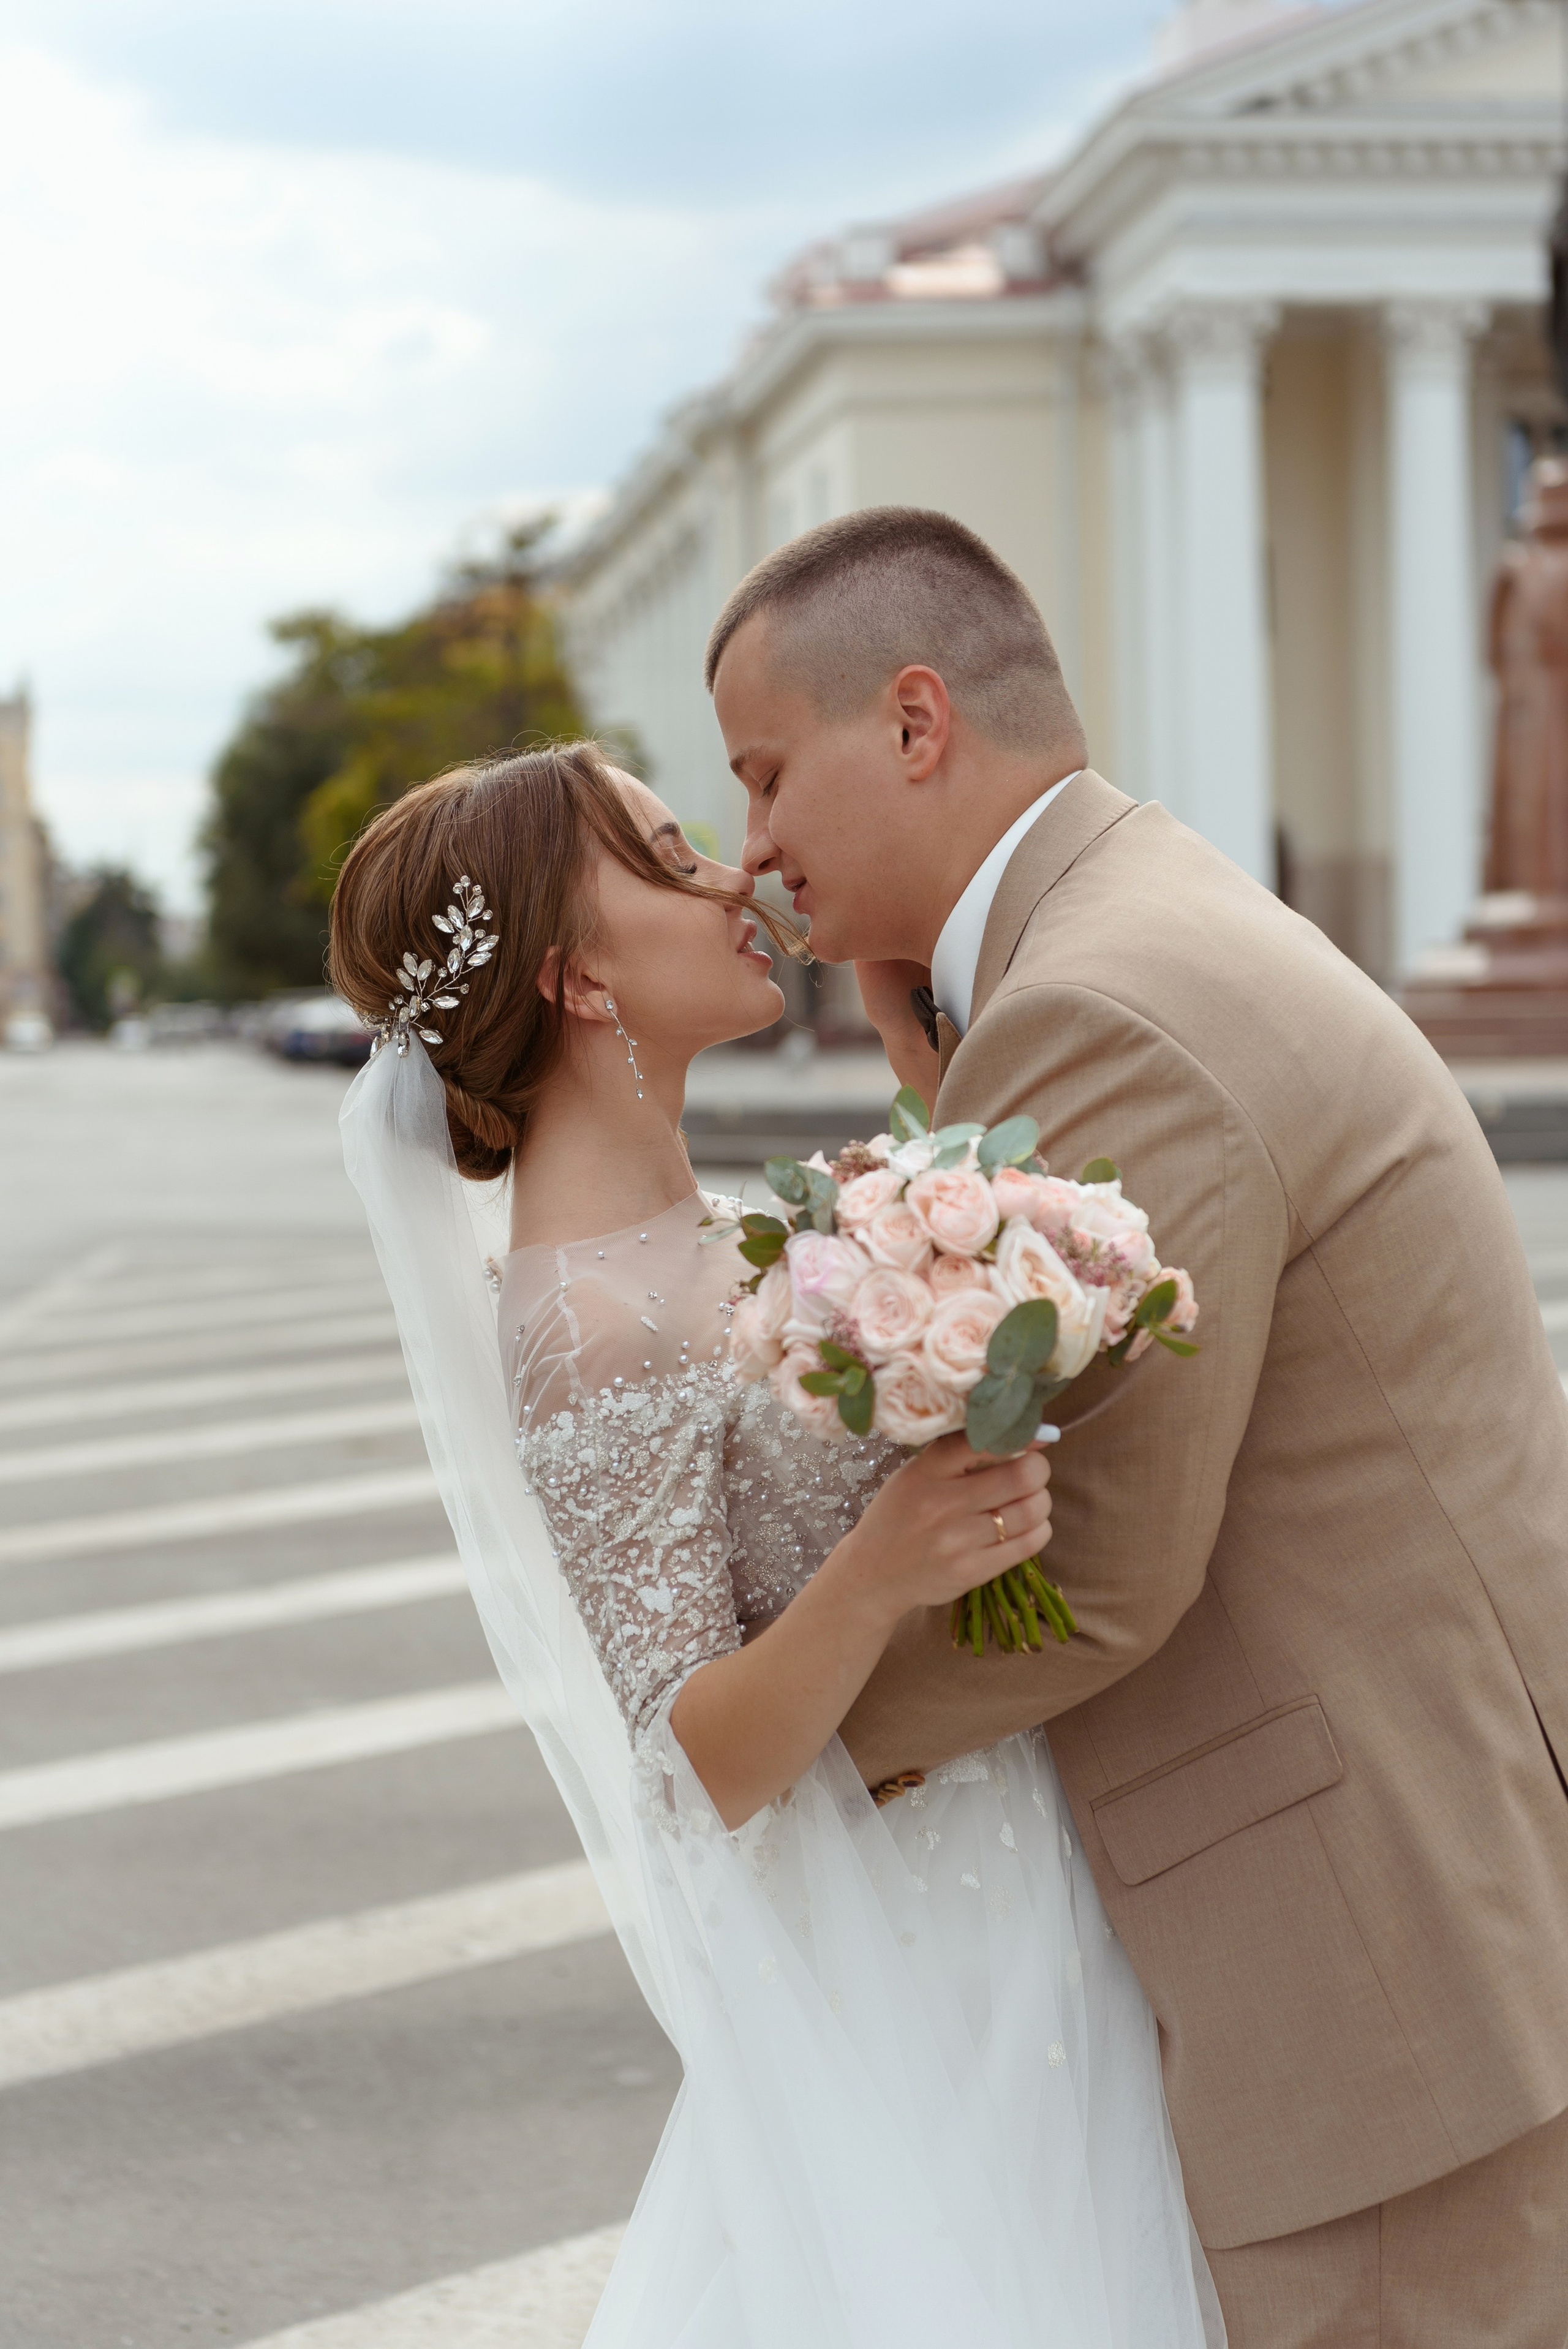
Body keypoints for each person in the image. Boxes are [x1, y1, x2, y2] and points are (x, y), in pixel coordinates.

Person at [706, 505, 1568, 2348]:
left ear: (918, 723)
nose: (752, 845)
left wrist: (767, 1779)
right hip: (1431, 1909)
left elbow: (1094, 1566)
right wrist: (949, 1083)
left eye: (767, 773)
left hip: (1370, 1973)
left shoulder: (1096, 1001)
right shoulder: (1119, 926)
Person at [330, 742, 1223, 2348]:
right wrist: (889, 1560)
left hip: (1002, 1882)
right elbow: (692, 1768)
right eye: (671, 857)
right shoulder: (581, 1310)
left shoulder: (682, 1220)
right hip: (918, 1952)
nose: (731, 873)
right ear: (576, 972)